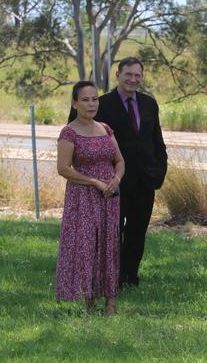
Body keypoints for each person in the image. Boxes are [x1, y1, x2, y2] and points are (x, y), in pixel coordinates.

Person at [70, 57, 168, 287]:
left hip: (145, 180)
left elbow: (157, 141)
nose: (133, 79)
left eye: (137, 75)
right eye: (129, 75)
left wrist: (159, 169)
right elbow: (75, 132)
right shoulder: (100, 103)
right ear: (118, 75)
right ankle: (110, 277)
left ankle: (129, 277)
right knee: (111, 232)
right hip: (111, 181)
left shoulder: (149, 104)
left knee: (136, 232)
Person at [56, 81, 125, 315]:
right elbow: (64, 168)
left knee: (109, 244)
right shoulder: (69, 132)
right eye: (85, 99)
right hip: (83, 196)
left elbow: (119, 160)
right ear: (75, 103)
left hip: (109, 196)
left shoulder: (105, 128)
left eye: (94, 99)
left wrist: (115, 179)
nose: (91, 104)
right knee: (88, 246)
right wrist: (95, 182)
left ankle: (111, 303)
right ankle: (89, 300)